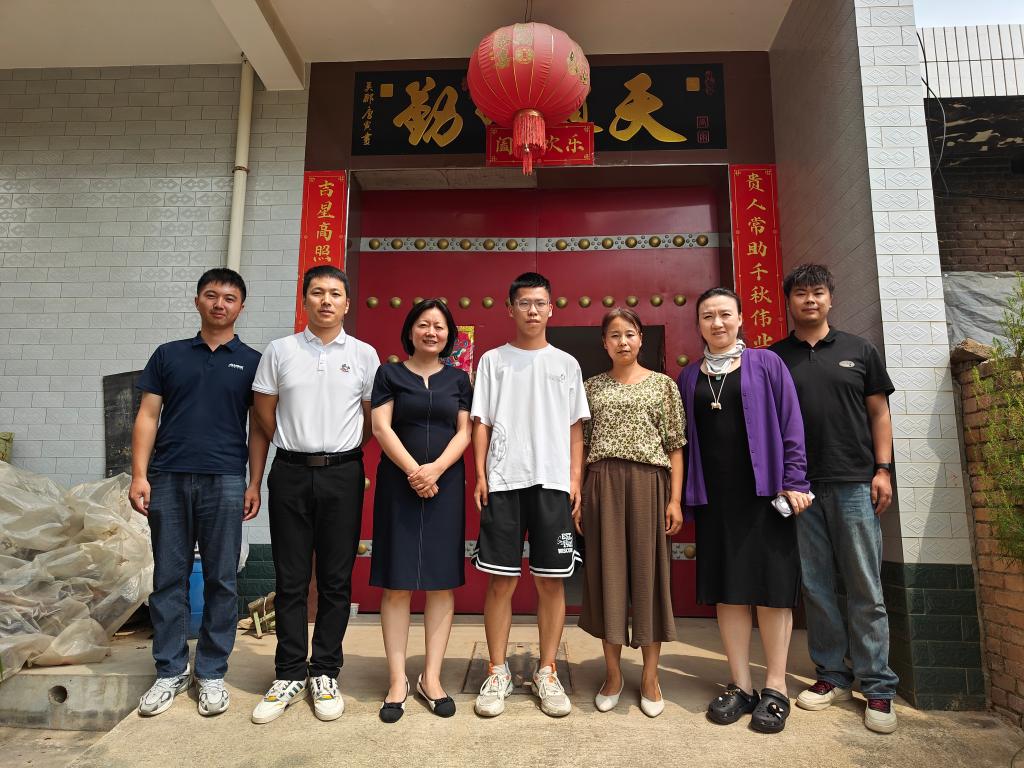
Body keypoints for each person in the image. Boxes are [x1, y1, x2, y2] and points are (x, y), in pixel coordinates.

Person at [131, 268, 268, 718]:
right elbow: (147, 415)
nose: (219, 304)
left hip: (225, 480)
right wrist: (139, 475)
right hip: (169, 477)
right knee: (168, 578)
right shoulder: (169, 355)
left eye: (229, 298)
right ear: (197, 301)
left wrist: (253, 481)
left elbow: (259, 428)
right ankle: (170, 670)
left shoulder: (252, 361)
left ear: (241, 307)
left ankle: (210, 671)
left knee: (221, 579)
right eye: (211, 295)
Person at [677, 287, 812, 734]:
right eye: (708, 316)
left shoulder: (766, 363)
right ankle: (740, 684)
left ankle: (776, 687)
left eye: (724, 314)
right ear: (698, 325)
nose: (717, 323)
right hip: (716, 499)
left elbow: (792, 423)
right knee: (729, 590)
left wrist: (795, 480)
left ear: (739, 319)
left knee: (772, 591)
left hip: (766, 495)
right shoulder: (688, 376)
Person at [771, 263, 899, 734]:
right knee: (817, 585)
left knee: (865, 585)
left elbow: (879, 412)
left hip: (853, 482)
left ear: (830, 298)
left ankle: (878, 685)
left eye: (818, 292)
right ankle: (831, 675)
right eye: (801, 293)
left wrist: (882, 469)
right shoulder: (775, 358)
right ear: (788, 300)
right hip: (800, 488)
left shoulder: (859, 350)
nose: (810, 300)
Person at [249, 265, 380, 724]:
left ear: (347, 303)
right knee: (290, 577)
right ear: (304, 300)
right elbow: (263, 413)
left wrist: (336, 452)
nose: (326, 300)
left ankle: (324, 670)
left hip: (343, 474)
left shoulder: (364, 355)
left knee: (335, 579)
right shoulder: (280, 351)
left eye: (335, 294)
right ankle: (288, 672)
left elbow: (371, 420)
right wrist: (295, 446)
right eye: (318, 292)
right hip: (289, 473)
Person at [470, 272, 590, 718]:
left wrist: (574, 479)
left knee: (550, 581)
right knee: (501, 580)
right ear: (510, 308)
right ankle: (497, 670)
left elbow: (575, 428)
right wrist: (481, 475)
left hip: (553, 484)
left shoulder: (566, 364)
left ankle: (547, 670)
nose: (533, 310)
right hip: (504, 481)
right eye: (524, 303)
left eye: (540, 303)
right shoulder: (493, 361)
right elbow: (480, 422)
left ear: (551, 308)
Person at [576, 308, 685, 718]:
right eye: (614, 335)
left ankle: (651, 677)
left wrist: (674, 500)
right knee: (608, 577)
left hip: (649, 484)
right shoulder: (591, 388)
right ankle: (613, 675)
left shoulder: (663, 386)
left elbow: (675, 445)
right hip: (602, 484)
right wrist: (579, 493)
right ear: (604, 343)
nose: (623, 341)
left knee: (648, 577)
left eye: (630, 333)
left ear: (641, 338)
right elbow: (582, 445)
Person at [370, 299, 472, 723]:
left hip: (444, 485)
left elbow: (465, 432)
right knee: (397, 583)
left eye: (439, 326)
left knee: (440, 582)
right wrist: (415, 471)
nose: (431, 332)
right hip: (399, 484)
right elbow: (381, 426)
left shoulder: (459, 379)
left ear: (449, 335)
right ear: (410, 330)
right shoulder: (389, 374)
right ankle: (398, 680)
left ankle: (431, 678)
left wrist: (436, 470)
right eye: (424, 325)